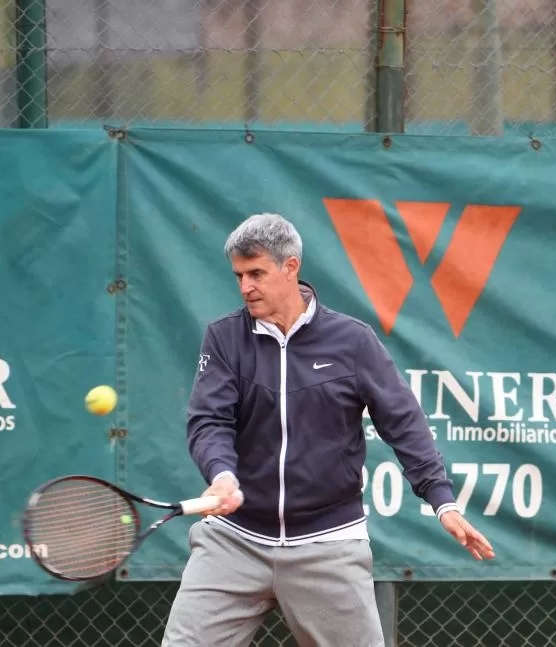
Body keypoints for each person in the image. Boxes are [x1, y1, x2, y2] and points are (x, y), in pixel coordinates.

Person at [161, 213, 495, 647]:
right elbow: (209, 421)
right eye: (239, 275)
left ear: (291, 267)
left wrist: (441, 502)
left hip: (328, 544)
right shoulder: (224, 338)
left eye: (256, 273)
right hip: (234, 540)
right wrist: (222, 475)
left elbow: (403, 422)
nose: (245, 287)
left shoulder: (352, 341)